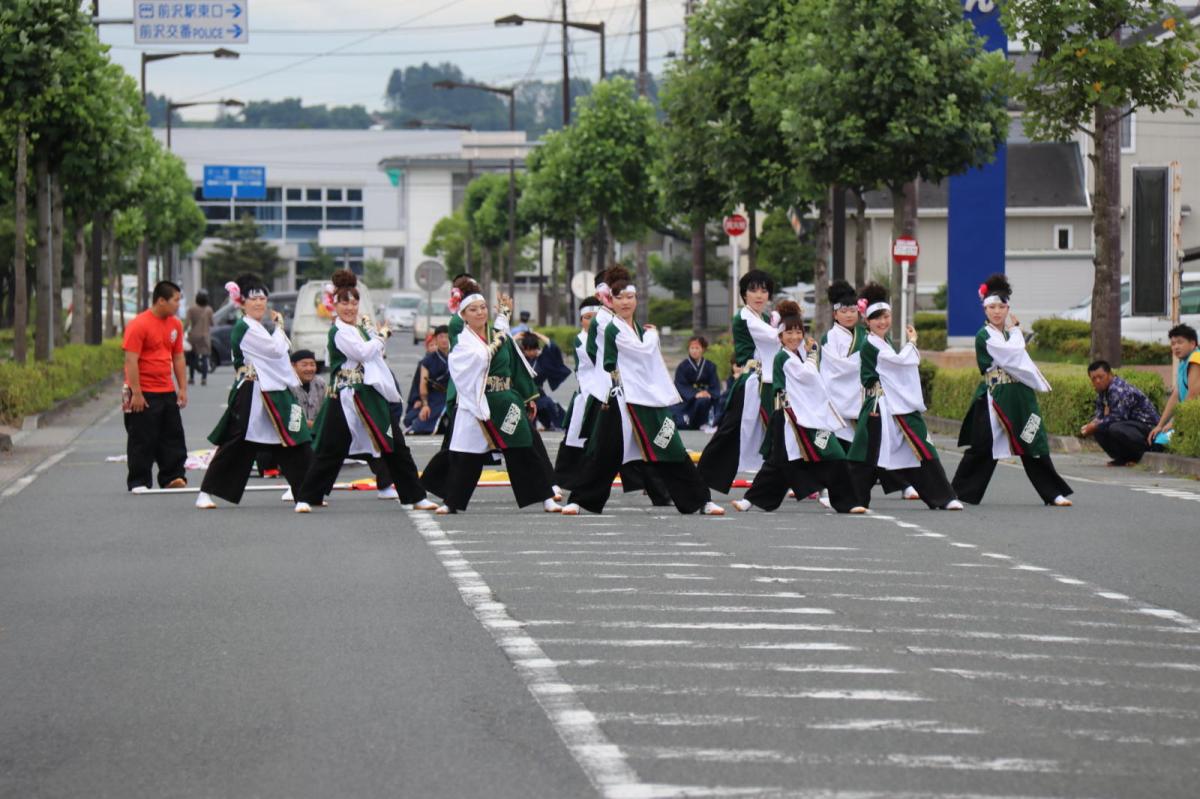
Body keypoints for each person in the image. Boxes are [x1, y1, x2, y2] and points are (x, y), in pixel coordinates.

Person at [562, 267, 725, 517]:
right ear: (609, 300)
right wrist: (653, 336)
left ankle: (700, 500)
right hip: (620, 398)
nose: (625, 302)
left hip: (647, 399)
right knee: (604, 451)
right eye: (619, 297)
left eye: (630, 297)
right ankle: (580, 500)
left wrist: (648, 336)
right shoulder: (609, 324)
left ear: (636, 299)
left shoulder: (637, 327)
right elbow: (639, 351)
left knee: (671, 448)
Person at [295, 270, 437, 513]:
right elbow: (362, 353)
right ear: (335, 305)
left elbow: (373, 354)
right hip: (346, 396)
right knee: (330, 449)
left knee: (395, 445)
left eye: (354, 302)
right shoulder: (338, 331)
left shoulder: (358, 327)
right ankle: (307, 497)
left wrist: (375, 336)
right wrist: (381, 336)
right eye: (344, 302)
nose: (350, 307)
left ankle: (416, 496)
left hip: (369, 395)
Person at [418, 279, 562, 515]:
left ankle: (547, 498)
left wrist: (527, 397)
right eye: (473, 310)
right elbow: (472, 361)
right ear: (463, 315)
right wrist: (492, 346)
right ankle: (452, 501)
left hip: (505, 401)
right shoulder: (463, 340)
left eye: (483, 307)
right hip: (477, 402)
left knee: (523, 450)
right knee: (465, 454)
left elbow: (514, 364)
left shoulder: (499, 334)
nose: (480, 312)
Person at [950, 274, 1073, 507]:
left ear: (1008, 308)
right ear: (984, 309)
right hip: (995, 396)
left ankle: (1053, 493)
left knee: (1033, 441)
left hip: (1020, 395)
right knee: (983, 445)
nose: (997, 311)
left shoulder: (1009, 335)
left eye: (1002, 306)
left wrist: (1015, 333)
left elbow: (1020, 359)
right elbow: (1012, 355)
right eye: (992, 307)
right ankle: (959, 492)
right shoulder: (985, 335)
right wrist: (1017, 331)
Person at [196, 274, 313, 509]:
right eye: (253, 299)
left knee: (291, 439)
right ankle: (205, 493)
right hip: (251, 392)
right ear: (242, 303)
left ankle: (303, 494)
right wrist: (280, 327)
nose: (259, 303)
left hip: (270, 391)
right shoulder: (245, 327)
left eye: (262, 298)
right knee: (236, 443)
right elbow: (273, 350)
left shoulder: (256, 326)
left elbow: (275, 354)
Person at [733, 301, 859, 514]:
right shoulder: (784, 357)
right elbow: (807, 375)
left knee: (799, 460)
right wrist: (813, 354)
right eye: (788, 333)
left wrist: (810, 355)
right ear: (780, 337)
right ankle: (840, 499)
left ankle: (841, 500)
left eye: (798, 332)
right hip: (791, 418)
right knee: (818, 456)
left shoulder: (795, 356)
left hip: (801, 416)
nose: (794, 337)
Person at [845, 283, 962, 511]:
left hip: (895, 405)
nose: (882, 322)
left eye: (886, 316)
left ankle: (943, 497)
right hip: (878, 406)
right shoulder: (870, 344)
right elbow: (899, 364)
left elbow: (896, 368)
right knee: (866, 455)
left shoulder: (883, 342)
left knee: (920, 446)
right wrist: (913, 344)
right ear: (867, 322)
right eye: (876, 318)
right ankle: (851, 500)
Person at [818, 280, 917, 502]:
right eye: (844, 311)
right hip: (842, 400)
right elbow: (835, 370)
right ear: (835, 314)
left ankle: (904, 483)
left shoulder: (869, 333)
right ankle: (831, 489)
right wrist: (867, 359)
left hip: (869, 397)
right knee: (848, 449)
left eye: (853, 310)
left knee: (881, 443)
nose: (849, 315)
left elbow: (888, 361)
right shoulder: (830, 338)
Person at [698, 270, 780, 494]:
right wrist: (792, 329)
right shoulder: (744, 317)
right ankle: (696, 480)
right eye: (753, 290)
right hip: (750, 382)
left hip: (767, 382)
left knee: (777, 431)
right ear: (744, 294)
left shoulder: (765, 318)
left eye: (764, 290)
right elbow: (776, 338)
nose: (759, 295)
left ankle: (786, 483)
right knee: (728, 433)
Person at [122, 280, 189, 492]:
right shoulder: (139, 324)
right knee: (142, 439)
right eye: (175, 300)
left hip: (166, 390)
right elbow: (131, 360)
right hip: (143, 391)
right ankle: (139, 481)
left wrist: (183, 388)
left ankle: (173, 476)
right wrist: (137, 393)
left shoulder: (175, 324)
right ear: (161, 301)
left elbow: (178, 357)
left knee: (172, 436)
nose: (179, 304)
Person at [554, 297, 603, 487]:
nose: (592, 321)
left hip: (609, 395)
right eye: (587, 317)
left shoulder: (609, 336)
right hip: (589, 395)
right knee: (575, 438)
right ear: (581, 320)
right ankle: (563, 479)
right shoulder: (581, 340)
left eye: (596, 317)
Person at [1081, 360, 1161, 466]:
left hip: (1148, 429)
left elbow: (1118, 417)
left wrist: (1095, 425)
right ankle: (1123, 458)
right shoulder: (1103, 391)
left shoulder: (1118, 389)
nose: (1098, 381)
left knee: (1115, 428)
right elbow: (1099, 415)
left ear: (1110, 374)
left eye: (1101, 377)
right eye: (1094, 379)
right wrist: (1089, 426)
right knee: (1099, 429)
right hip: (1130, 426)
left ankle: (1141, 456)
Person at [1146, 324, 1200, 449]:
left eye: (1180, 342)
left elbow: (1193, 395)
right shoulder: (1183, 363)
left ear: (1192, 343)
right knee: (1156, 440)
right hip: (1188, 419)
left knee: (1159, 444)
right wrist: (1160, 425)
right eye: (1173, 344)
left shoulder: (1196, 358)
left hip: (1194, 421)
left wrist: (1175, 423)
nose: (1175, 347)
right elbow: (1176, 396)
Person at [520, 331, 572, 431]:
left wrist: (539, 336)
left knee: (549, 404)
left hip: (538, 394)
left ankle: (549, 424)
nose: (531, 352)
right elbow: (505, 348)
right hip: (522, 395)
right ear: (523, 349)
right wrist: (517, 337)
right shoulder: (520, 358)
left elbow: (553, 348)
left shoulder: (543, 359)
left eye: (533, 349)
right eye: (528, 350)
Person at [672, 336, 721, 431]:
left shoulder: (710, 366)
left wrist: (708, 393)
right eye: (692, 348)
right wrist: (695, 394)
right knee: (679, 420)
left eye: (697, 348)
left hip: (705, 398)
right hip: (688, 400)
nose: (694, 351)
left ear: (703, 349)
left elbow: (714, 384)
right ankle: (689, 422)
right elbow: (680, 384)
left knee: (706, 400)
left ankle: (704, 422)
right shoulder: (683, 366)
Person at [408, 325, 451, 434]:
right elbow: (423, 384)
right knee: (420, 423)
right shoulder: (427, 361)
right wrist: (425, 404)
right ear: (436, 339)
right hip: (434, 397)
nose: (444, 340)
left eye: (447, 337)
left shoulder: (457, 356)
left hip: (453, 396)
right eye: (441, 337)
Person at [403, 332, 438, 432]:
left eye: (436, 344)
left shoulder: (447, 360)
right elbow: (417, 383)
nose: (434, 347)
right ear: (427, 347)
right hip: (425, 399)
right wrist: (417, 399)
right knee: (409, 418)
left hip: (439, 399)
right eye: (431, 345)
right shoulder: (424, 363)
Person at [185, 290, 214, 386]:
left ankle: (192, 378)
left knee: (193, 358)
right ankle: (204, 378)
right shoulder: (209, 310)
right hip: (205, 337)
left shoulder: (191, 309)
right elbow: (212, 323)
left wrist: (182, 331)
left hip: (193, 336)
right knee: (205, 358)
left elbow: (187, 323)